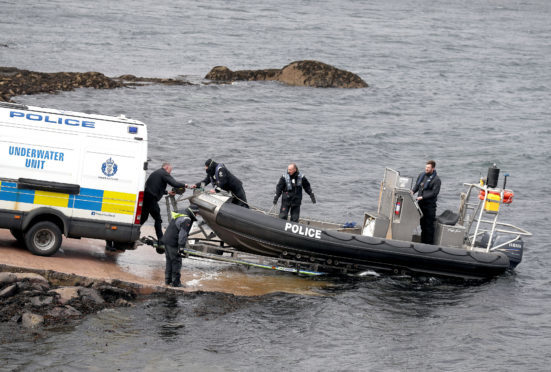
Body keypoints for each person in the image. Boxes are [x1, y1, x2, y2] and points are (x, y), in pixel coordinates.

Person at [140, 162, 188, 247]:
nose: (170, 173)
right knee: (158, 219)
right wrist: (185, 185)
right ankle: (161, 240)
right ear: (166, 167)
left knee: (144, 217)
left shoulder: (157, 173)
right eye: (170, 170)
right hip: (151, 198)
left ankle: (133, 232)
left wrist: (167, 192)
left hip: (146, 197)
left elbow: (156, 187)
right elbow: (174, 183)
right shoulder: (163, 173)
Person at [161, 205, 198, 287]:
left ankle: (167, 281)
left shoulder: (180, 213)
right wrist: (181, 247)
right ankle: (176, 283)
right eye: (196, 213)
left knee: (169, 262)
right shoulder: (187, 219)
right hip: (173, 243)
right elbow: (182, 235)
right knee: (176, 262)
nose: (196, 215)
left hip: (166, 240)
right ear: (193, 212)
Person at [411, 160, 441, 244]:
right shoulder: (422, 175)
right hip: (421, 204)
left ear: (433, 168)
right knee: (422, 225)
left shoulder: (437, 180)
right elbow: (417, 185)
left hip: (429, 206)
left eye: (428, 168)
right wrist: (413, 191)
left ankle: (428, 245)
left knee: (428, 227)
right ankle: (422, 242)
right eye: (426, 167)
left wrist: (423, 197)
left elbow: (434, 193)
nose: (426, 169)